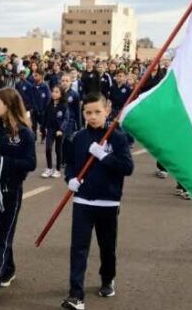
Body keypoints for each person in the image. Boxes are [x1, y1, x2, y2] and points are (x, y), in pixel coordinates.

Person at [61, 92, 134, 310]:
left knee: (107, 247)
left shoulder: (117, 137)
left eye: (97, 112)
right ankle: (76, 294)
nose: (92, 117)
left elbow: (127, 168)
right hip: (82, 201)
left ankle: (107, 278)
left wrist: (104, 156)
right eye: (88, 112)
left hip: (108, 202)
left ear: (108, 111)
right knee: (78, 248)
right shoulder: (78, 137)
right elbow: (71, 164)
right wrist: (70, 179)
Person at [0, 88, 36, 299]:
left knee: (2, 237)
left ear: (9, 105)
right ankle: (9, 268)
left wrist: (1, 161)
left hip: (11, 191)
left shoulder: (25, 133)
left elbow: (31, 163)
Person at [41, 86, 68, 178]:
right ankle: (49, 168)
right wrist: (43, 128)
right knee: (48, 148)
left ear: (61, 94)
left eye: (56, 92)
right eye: (53, 91)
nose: (54, 93)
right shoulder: (49, 104)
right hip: (50, 130)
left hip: (59, 131)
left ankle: (57, 170)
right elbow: (45, 117)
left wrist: (61, 129)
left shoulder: (64, 106)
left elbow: (66, 119)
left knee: (58, 150)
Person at [31, 70, 52, 143]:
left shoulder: (45, 86)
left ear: (41, 76)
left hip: (43, 110)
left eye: (36, 75)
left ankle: (43, 136)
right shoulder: (33, 86)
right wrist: (34, 107)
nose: (34, 77)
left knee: (42, 125)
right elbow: (32, 98)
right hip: (34, 110)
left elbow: (48, 98)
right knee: (33, 125)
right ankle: (34, 138)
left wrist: (45, 109)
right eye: (34, 75)